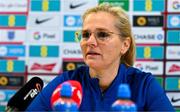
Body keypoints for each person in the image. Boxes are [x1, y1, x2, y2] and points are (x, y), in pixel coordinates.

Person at [26, 3, 174, 111]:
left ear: (125, 45)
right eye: (85, 35)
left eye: (102, 35)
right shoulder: (66, 82)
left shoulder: (144, 85)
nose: (90, 42)